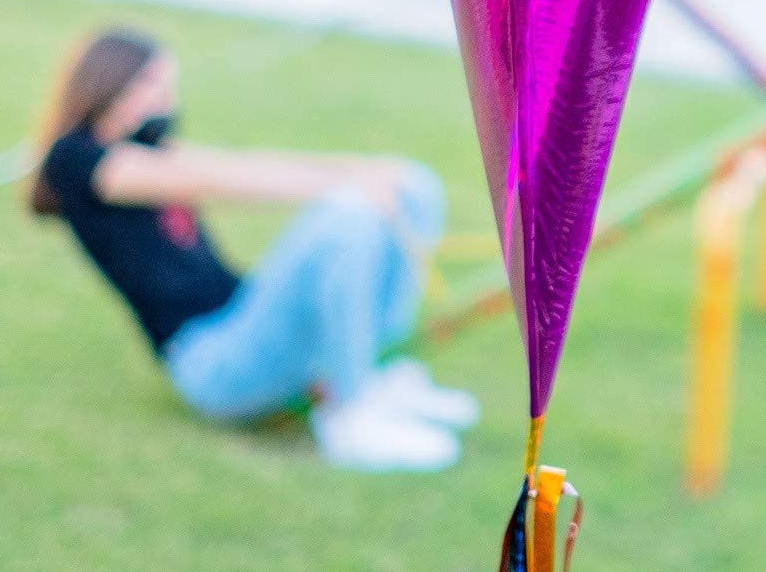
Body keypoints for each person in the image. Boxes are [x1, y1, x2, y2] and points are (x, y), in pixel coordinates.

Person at [29, 27, 478, 473]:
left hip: (243, 318)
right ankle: (351, 412)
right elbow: (229, 180)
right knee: (348, 214)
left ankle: (382, 374)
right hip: (213, 363)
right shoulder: (76, 160)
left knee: (412, 183)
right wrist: (350, 183)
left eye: (167, 85)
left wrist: (366, 169)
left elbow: (248, 162)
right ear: (109, 80)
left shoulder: (145, 149)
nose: (165, 99)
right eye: (150, 83)